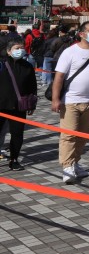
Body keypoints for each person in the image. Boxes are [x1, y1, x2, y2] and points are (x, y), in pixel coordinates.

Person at [51, 21, 89, 184]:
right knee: (69, 135)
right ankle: (67, 166)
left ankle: (75, 162)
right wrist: (56, 99)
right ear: (81, 33)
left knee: (84, 135)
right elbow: (59, 77)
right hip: (70, 101)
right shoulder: (70, 52)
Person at [0, 38, 37, 170]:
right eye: (17, 48)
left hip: (19, 107)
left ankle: (14, 159)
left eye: (22, 48)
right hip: (1, 105)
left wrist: (32, 104)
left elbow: (32, 87)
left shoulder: (27, 67)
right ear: (9, 51)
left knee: (17, 134)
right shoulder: (2, 64)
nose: (20, 50)